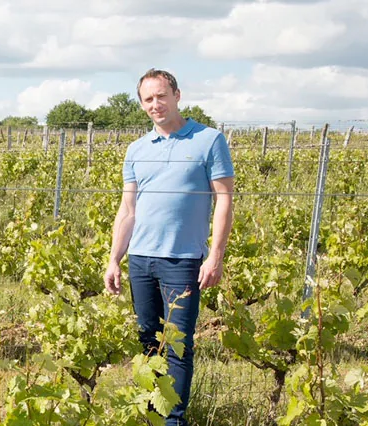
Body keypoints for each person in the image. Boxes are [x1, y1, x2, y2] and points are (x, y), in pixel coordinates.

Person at [103, 68, 234, 425]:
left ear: (177, 95)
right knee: (148, 341)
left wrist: (216, 256)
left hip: (183, 260)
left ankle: (173, 420)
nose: (155, 104)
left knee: (176, 344)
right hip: (142, 260)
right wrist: (115, 259)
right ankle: (152, 413)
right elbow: (127, 208)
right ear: (142, 104)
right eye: (148, 99)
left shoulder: (209, 140)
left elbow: (224, 199)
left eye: (162, 96)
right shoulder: (137, 149)